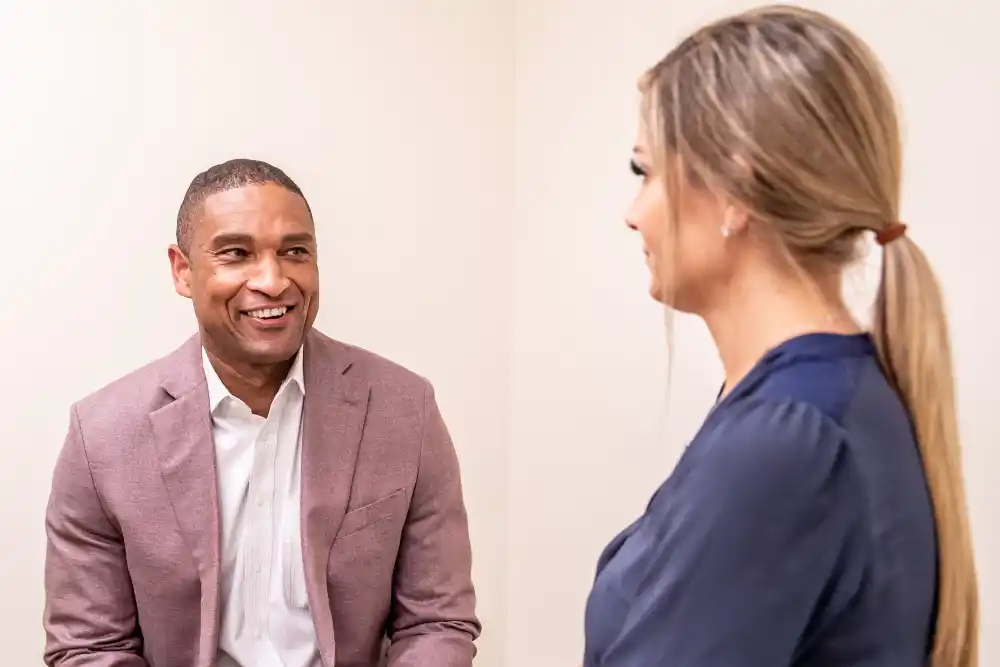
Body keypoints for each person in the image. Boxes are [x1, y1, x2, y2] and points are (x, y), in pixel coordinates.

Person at [583, 5, 978, 667]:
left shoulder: (787, 436)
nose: (633, 214)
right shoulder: (830, 400)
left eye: (643, 172)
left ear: (736, 187)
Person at [43, 159, 481, 667]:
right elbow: (89, 647)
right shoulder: (101, 436)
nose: (273, 281)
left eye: (295, 251)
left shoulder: (404, 410)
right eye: (236, 254)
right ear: (183, 270)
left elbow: (436, 621)